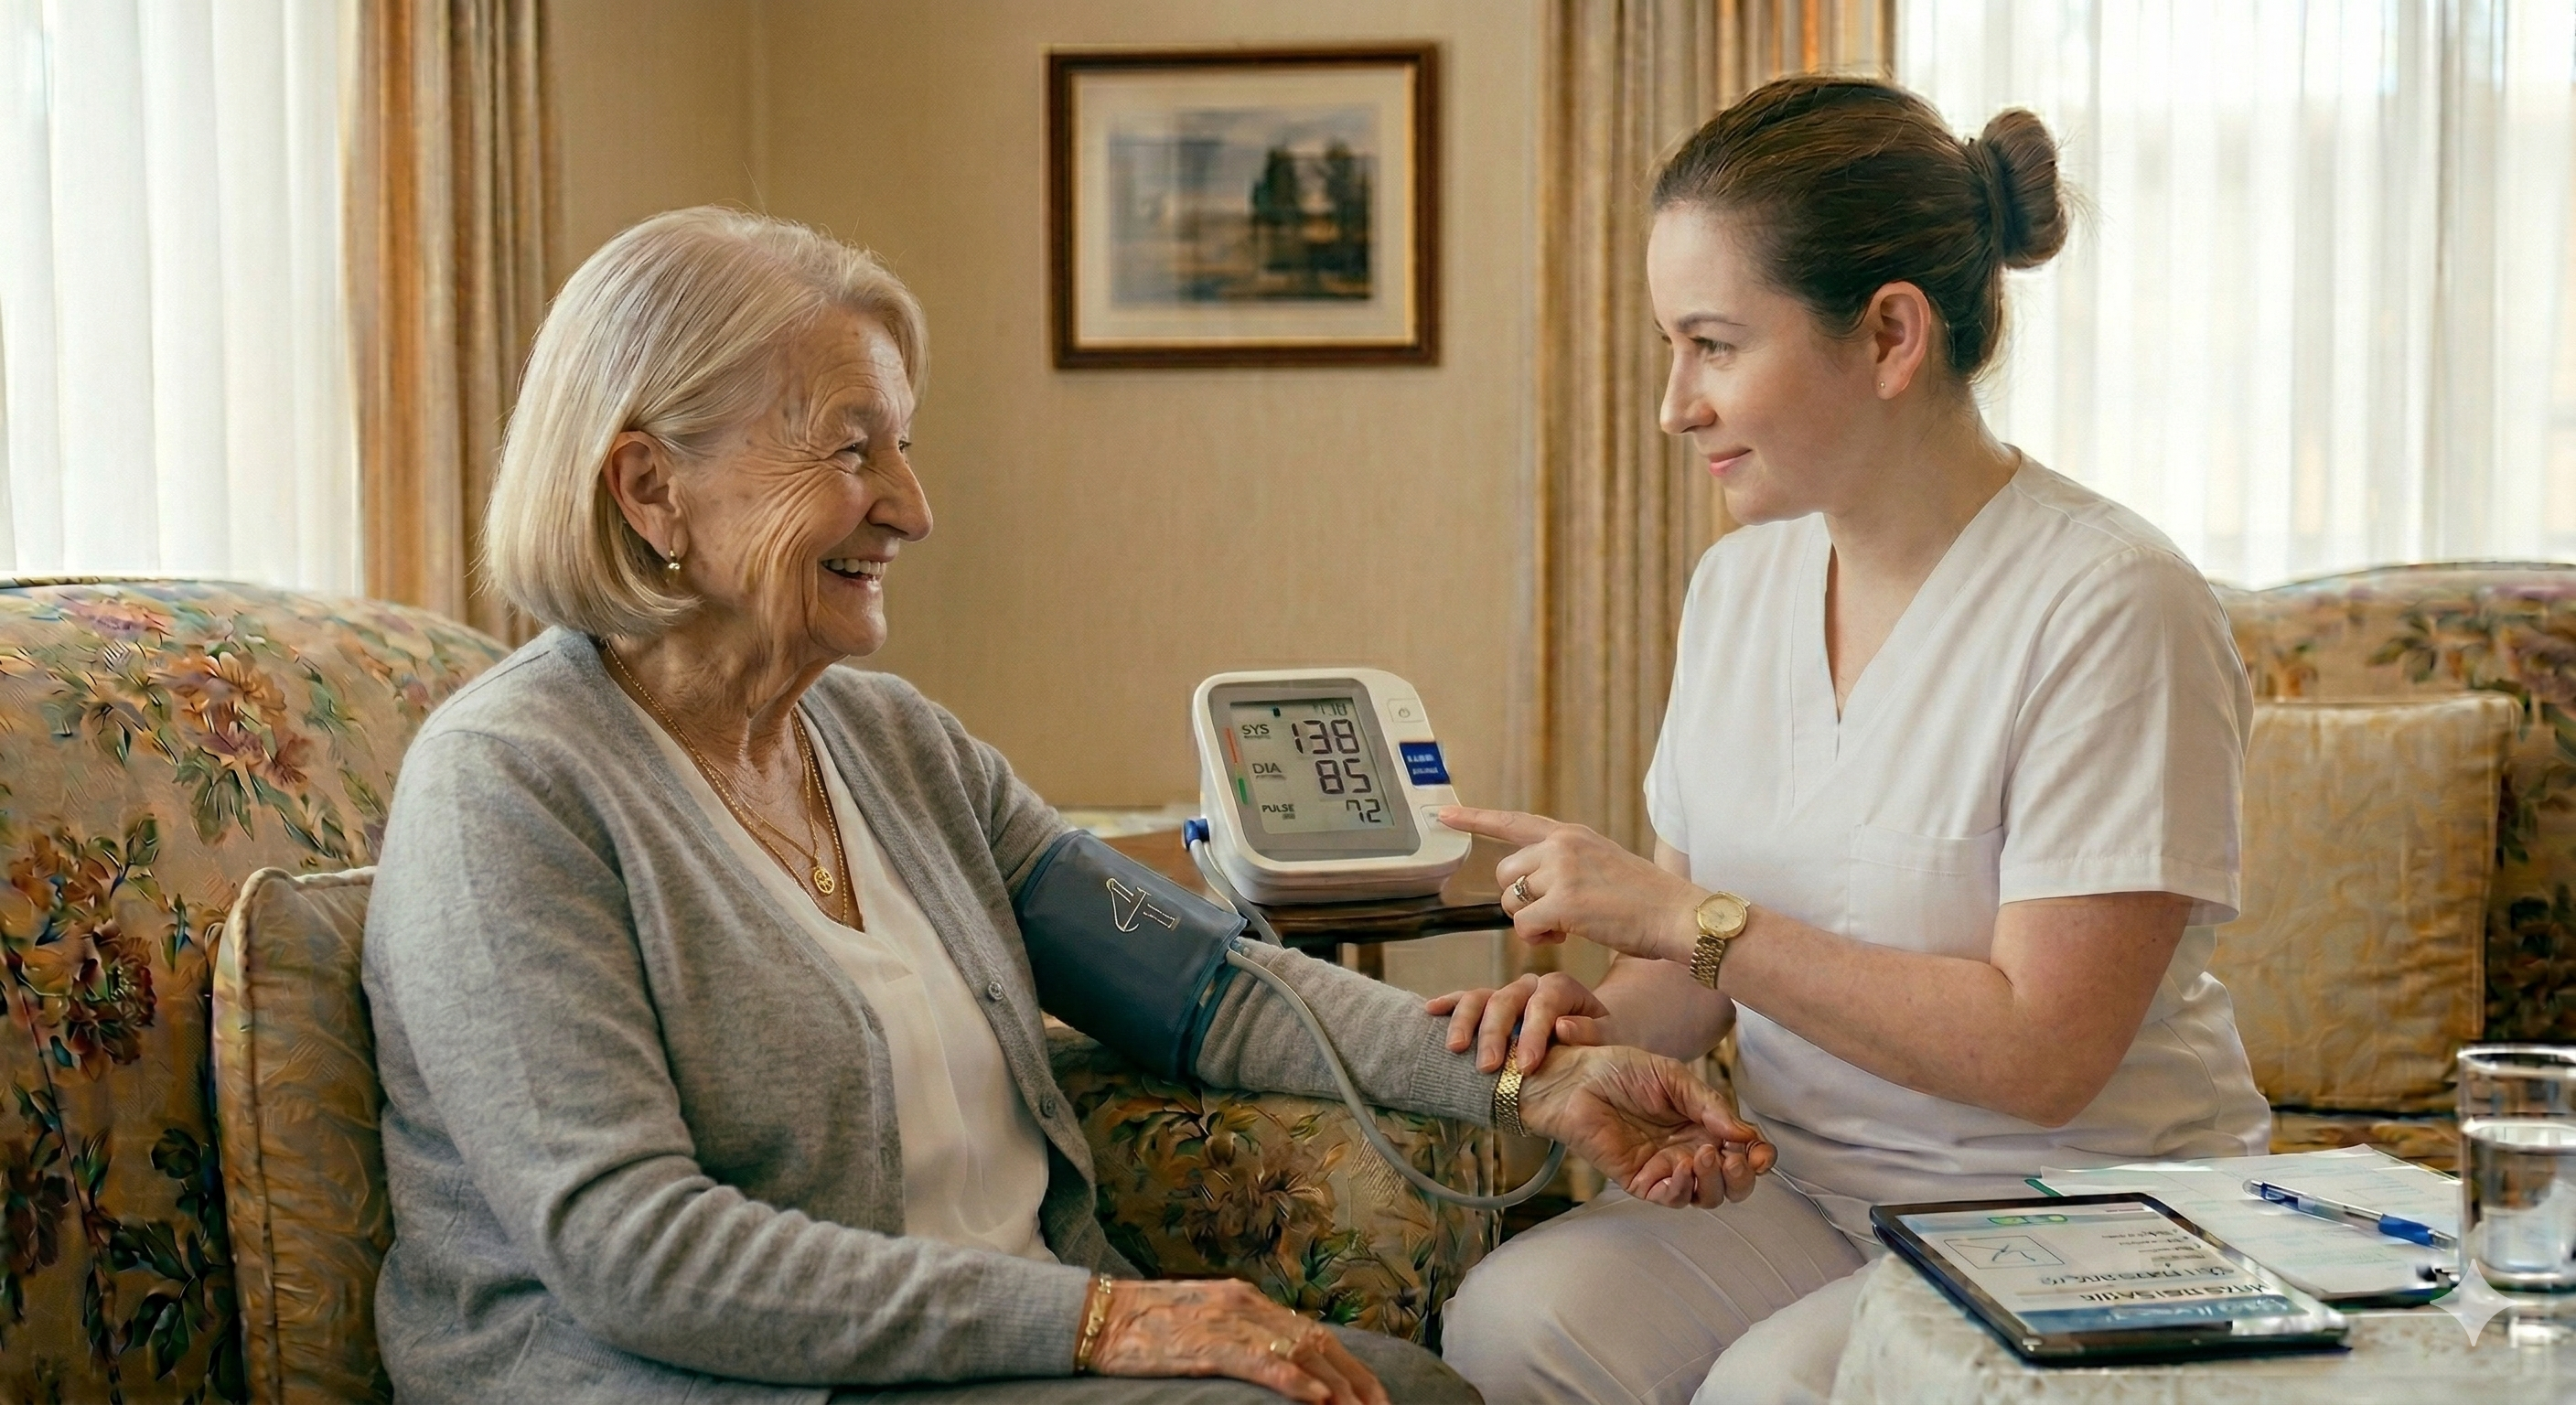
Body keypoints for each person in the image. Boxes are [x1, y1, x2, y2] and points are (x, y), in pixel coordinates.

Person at [361, 206, 1767, 1405]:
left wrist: (1544, 1082)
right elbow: (632, 1250)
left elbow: (1212, 993)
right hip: (730, 1383)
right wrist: (1112, 1323)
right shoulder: (512, 787)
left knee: (1418, 1391)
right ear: (648, 485)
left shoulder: (891, 747)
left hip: (991, 1354)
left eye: (903, 447)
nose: (911, 507)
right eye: (851, 451)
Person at [1431, 76, 2270, 1405]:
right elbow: (1697, 982)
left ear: (1889, 335)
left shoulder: (2115, 604)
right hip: (1809, 1193)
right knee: (1511, 1321)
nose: (1673, 405)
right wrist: (1586, 1023)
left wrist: (1685, 915)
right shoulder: (1739, 590)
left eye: (1712, 345)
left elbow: (2042, 1056)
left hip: (2083, 1216)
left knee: (1770, 1393)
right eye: (1671, 347)